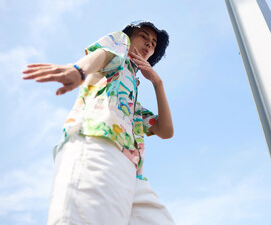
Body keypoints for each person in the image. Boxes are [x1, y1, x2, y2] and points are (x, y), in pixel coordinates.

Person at [22, 21, 175, 225]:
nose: (149, 44)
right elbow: (105, 53)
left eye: (154, 43)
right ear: (130, 37)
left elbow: (165, 131)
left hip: (133, 174)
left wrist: (157, 83)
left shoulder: (132, 105)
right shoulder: (121, 43)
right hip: (98, 141)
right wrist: (79, 71)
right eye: (144, 36)